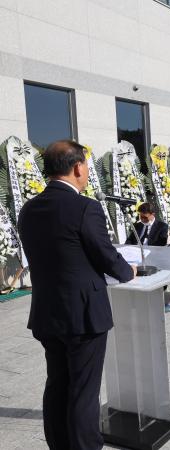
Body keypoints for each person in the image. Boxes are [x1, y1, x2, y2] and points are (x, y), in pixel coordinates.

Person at [17, 140, 136, 450]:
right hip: (83, 316)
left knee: (57, 385)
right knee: (84, 393)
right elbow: (105, 255)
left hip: (47, 313)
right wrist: (128, 271)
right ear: (78, 167)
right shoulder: (85, 207)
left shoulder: (29, 209)